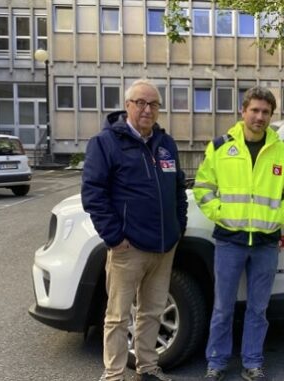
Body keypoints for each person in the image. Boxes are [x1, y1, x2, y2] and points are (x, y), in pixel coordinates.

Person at [194, 86, 284, 381]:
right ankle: (216, 362)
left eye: (265, 112)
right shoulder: (220, 147)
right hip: (230, 239)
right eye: (254, 110)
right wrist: (223, 214)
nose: (259, 116)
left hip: (266, 242)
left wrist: (278, 217)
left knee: (258, 309)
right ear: (243, 111)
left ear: (271, 115)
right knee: (222, 307)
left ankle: (252, 362)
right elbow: (203, 188)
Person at [81, 79, 188, 381]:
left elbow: (178, 187)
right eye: (140, 102)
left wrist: (179, 225)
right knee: (117, 317)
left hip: (164, 247)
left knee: (152, 313)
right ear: (127, 105)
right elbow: (93, 194)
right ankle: (113, 374)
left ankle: (148, 368)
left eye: (153, 104)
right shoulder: (105, 143)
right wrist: (115, 237)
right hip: (128, 249)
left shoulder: (165, 143)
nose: (147, 109)